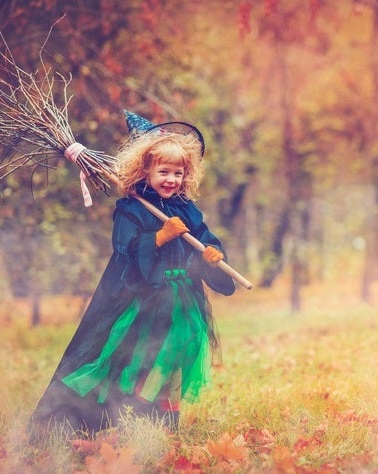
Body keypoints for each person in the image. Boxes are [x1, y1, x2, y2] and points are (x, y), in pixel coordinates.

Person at [30, 110, 235, 437]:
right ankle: (106, 419)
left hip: (182, 304)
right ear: (145, 170)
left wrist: (210, 255)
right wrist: (160, 236)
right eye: (163, 171)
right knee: (130, 358)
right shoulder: (132, 208)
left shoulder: (187, 208)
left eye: (178, 173)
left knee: (170, 362)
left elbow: (202, 240)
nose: (171, 179)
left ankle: (161, 424)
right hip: (142, 303)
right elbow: (125, 248)